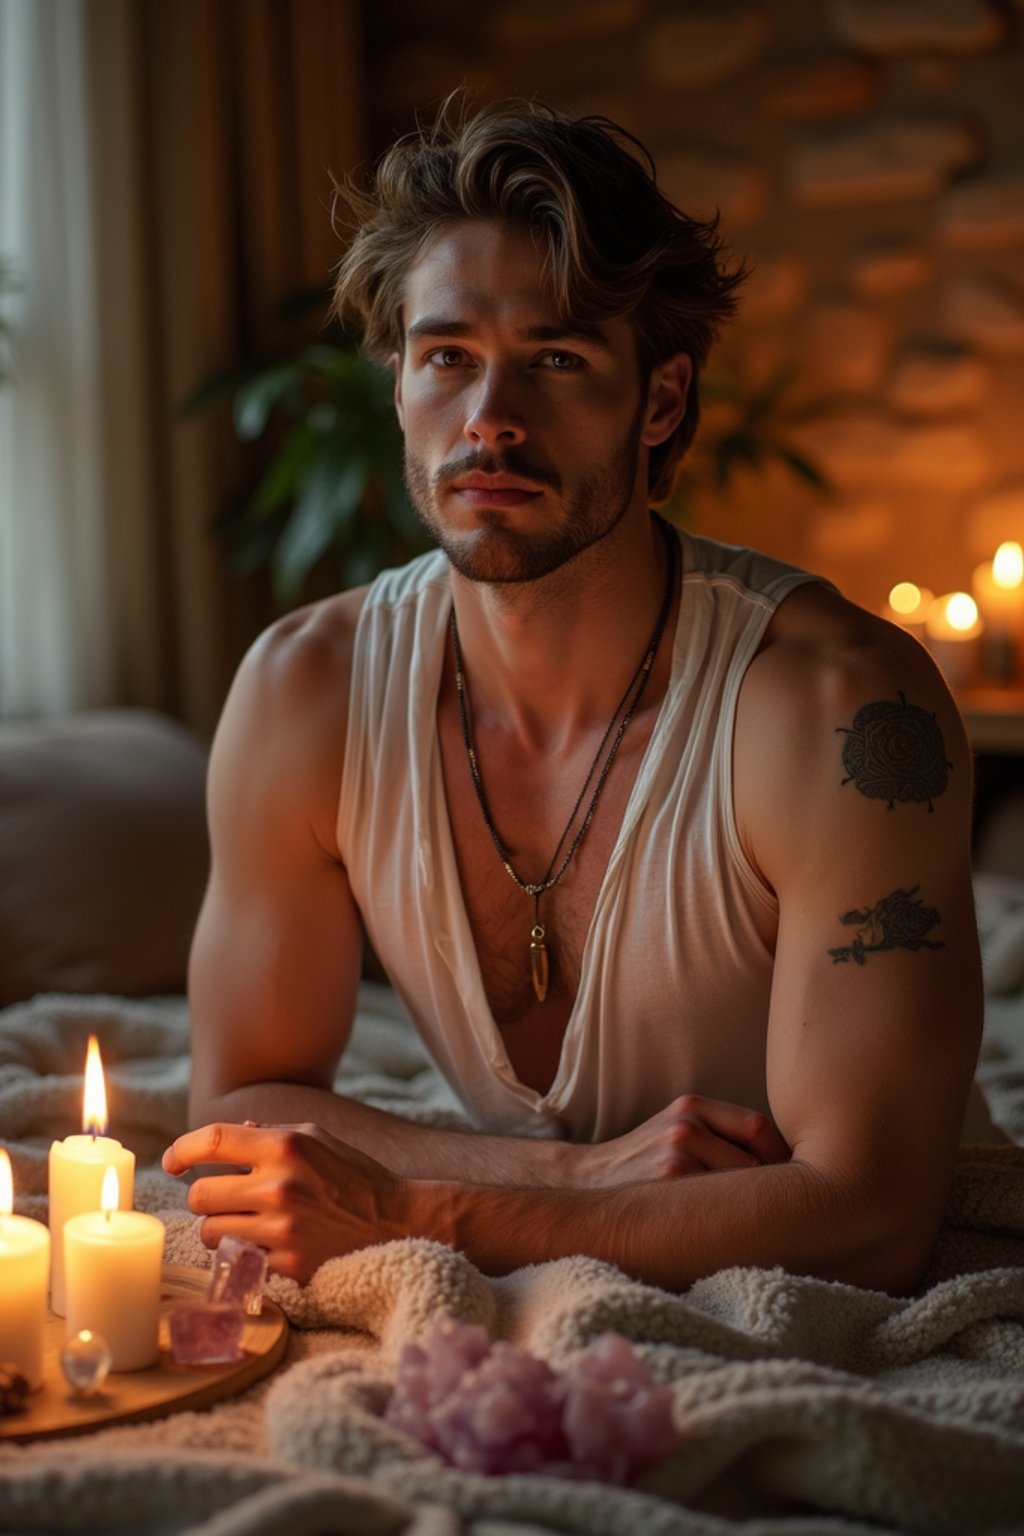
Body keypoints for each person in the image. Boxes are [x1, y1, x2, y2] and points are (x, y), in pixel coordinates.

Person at [163, 99, 983, 1295]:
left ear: (658, 402)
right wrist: (587, 1176)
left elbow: (869, 1214)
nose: (490, 420)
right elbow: (233, 1102)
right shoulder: (307, 691)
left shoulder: (833, 706)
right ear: (397, 386)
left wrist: (415, 1205)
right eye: (447, 358)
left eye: (556, 359)